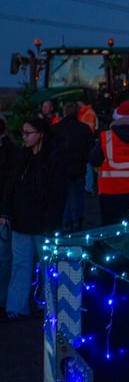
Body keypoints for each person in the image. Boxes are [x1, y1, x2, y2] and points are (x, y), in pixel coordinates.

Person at [0, 117, 66, 321]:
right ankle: (16, 307)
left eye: (28, 133)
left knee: (48, 266)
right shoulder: (23, 158)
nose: (24, 137)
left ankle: (51, 307)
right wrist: (5, 212)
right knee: (21, 265)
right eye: (23, 133)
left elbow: (58, 195)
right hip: (21, 222)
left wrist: (51, 222)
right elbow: (11, 187)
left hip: (43, 224)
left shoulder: (53, 159)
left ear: (41, 134)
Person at [52, 101, 94, 233]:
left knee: (64, 196)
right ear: (77, 112)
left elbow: (52, 148)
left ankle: (66, 222)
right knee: (79, 195)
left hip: (62, 168)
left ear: (64, 112)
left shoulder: (56, 128)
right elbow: (90, 147)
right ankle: (79, 220)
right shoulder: (84, 128)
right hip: (79, 167)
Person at [0, 117, 20, 312]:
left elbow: (10, 185)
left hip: (3, 211)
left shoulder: (11, 153)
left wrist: (5, 210)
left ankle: (2, 299)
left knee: (3, 257)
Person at [77, 99, 98, 195]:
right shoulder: (83, 113)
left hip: (86, 142)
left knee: (87, 164)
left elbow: (89, 129)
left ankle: (88, 188)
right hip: (84, 141)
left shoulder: (88, 113)